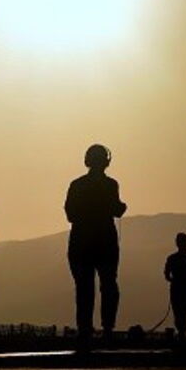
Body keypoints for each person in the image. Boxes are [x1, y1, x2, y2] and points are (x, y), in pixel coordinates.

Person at [64, 144, 127, 346]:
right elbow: (117, 210)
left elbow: (70, 214)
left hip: (81, 241)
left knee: (84, 287)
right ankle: (107, 327)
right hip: (105, 241)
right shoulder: (111, 185)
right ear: (106, 161)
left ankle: (85, 329)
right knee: (108, 285)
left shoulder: (77, 185)